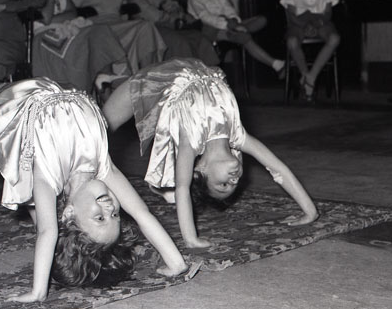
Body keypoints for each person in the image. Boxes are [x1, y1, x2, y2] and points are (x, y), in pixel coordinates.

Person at [0, 78, 189, 302]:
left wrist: (38, 292)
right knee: (35, 201)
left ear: (69, 213)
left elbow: (48, 231)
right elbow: (141, 213)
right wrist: (175, 262)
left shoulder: (47, 177)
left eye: (99, 217)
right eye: (114, 215)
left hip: (13, 109)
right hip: (49, 93)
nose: (109, 207)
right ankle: (38, 224)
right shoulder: (105, 170)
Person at [101, 58, 318, 248]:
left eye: (223, 184)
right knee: (100, 132)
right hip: (193, 70)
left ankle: (110, 83)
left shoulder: (191, 141)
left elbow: (182, 187)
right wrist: (310, 211)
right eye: (233, 185)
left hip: (155, 84)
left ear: (200, 170)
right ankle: (109, 81)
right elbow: (278, 168)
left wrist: (190, 238)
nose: (234, 180)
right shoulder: (238, 135)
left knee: (98, 133)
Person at [30, 0, 130, 92]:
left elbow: (73, 13)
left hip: (65, 28)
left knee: (100, 31)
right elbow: (45, 17)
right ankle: (84, 87)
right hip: (42, 35)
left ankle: (107, 78)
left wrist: (53, 18)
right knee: (82, 44)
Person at [187, 0, 284, 76]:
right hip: (208, 30)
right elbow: (205, 17)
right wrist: (227, 24)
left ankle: (239, 30)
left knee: (262, 19)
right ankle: (276, 64)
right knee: (243, 37)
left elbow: (229, 9)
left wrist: (233, 19)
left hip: (228, 25)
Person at [280, 0, 341, 101]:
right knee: (292, 41)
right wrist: (304, 25)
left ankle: (311, 77)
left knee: (334, 38)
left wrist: (317, 24)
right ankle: (305, 74)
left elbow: (328, 12)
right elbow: (291, 14)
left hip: (320, 21)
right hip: (299, 22)